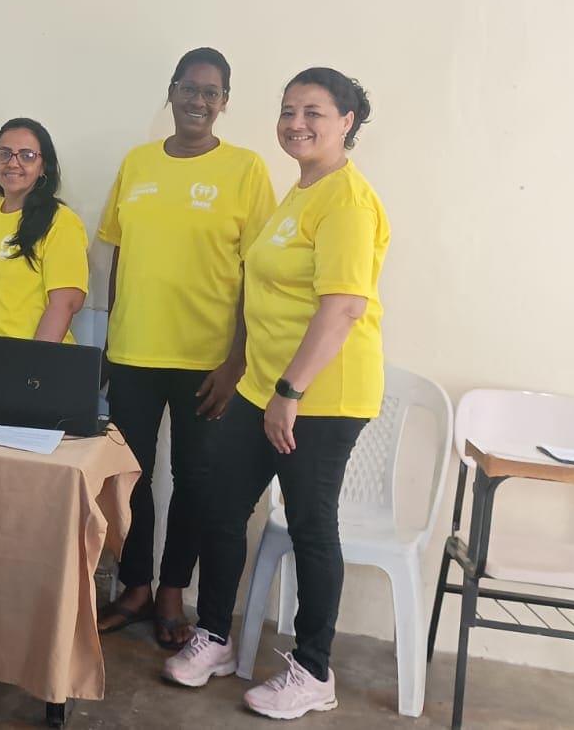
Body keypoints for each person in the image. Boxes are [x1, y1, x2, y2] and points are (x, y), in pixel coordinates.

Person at [163, 68, 390, 722]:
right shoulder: (302, 190)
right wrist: (264, 383)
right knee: (220, 502)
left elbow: (343, 307)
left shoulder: (346, 200)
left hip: (319, 394)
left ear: (347, 121)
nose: (297, 123)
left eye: (313, 112)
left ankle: (314, 671)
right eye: (289, 110)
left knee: (312, 527)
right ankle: (215, 636)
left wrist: (290, 391)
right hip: (263, 385)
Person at [96, 48, 275, 649]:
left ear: (224, 102)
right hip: (133, 352)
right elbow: (120, 253)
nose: (198, 100)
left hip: (207, 360)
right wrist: (111, 339)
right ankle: (136, 587)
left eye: (211, 92)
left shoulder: (246, 170)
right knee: (130, 475)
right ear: (171, 92)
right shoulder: (137, 163)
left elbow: (257, 271)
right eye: (189, 88)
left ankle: (173, 590)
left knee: (194, 479)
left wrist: (237, 359)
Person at [0, 118, 88, 370]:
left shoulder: (60, 221)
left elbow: (66, 303)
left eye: (27, 155)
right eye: (4, 154)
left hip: (27, 368)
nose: (13, 163)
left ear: (43, 166)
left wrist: (32, 367)